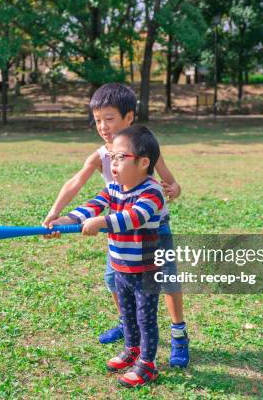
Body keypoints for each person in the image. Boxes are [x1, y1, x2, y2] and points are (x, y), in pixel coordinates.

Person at [43, 83, 190, 368]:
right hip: (118, 232)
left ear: (129, 118)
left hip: (150, 231)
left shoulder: (143, 148)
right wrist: (58, 216)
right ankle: (129, 327)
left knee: (166, 281)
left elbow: (170, 183)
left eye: (109, 118)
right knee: (115, 280)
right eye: (98, 120)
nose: (102, 126)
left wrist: (174, 189)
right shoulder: (101, 156)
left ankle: (178, 334)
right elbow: (79, 186)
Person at [50, 126, 165, 387]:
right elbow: (88, 208)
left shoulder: (152, 191)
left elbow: (133, 217)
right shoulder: (113, 188)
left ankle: (148, 364)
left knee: (145, 317)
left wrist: (100, 222)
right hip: (121, 266)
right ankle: (132, 350)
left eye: (120, 157)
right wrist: (63, 222)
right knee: (127, 314)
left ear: (143, 162)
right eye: (111, 157)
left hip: (146, 270)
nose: (113, 163)